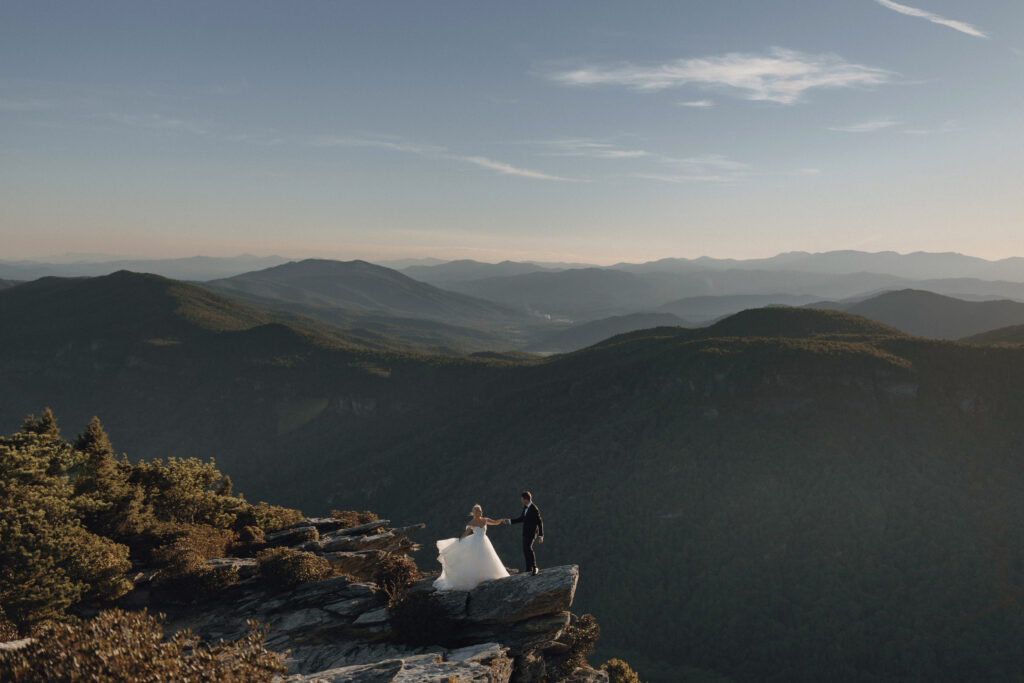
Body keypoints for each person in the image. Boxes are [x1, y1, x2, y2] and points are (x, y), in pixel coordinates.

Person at [433, 504, 510, 591]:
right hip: (475, 543)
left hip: (484, 541)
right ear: (474, 513)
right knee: (475, 560)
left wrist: (502, 520)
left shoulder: (485, 520)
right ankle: (477, 578)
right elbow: (466, 533)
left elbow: (495, 522)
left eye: (480, 510)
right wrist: (459, 541)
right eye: (478, 511)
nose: (480, 512)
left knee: (486, 558)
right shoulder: (472, 523)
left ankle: (486, 576)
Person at [503, 490, 544, 575]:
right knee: (525, 549)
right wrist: (509, 521)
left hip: (532, 533)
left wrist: (541, 535)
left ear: (526, 499)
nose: (521, 501)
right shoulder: (526, 507)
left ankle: (534, 567)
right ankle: (528, 568)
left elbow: (539, 522)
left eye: (522, 499)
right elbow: (521, 519)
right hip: (525, 532)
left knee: (528, 548)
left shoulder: (534, 508)